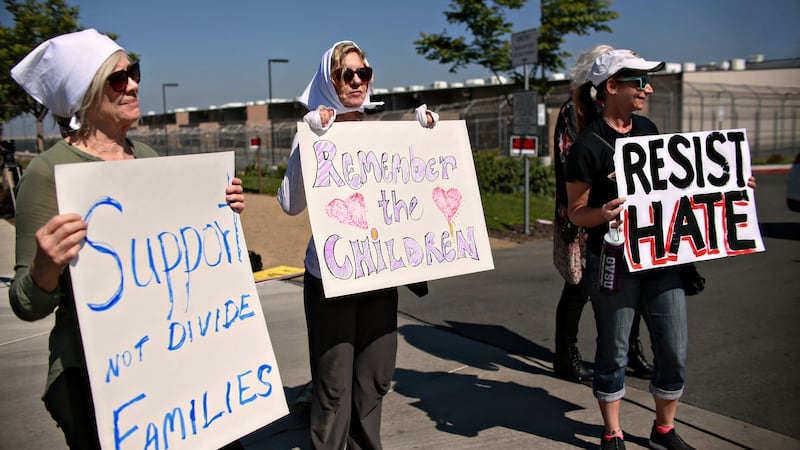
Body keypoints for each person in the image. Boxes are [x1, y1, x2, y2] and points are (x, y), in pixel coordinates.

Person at [8, 29, 245, 449]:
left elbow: (174, 258)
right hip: (95, 374)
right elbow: (26, 304)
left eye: (132, 72)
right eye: (118, 79)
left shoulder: (149, 158)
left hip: (168, 355)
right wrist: (47, 265)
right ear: (85, 93)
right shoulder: (48, 173)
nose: (133, 84)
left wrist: (220, 210)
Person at [278, 40, 435, 450]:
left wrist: (429, 138)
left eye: (363, 73)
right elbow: (289, 205)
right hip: (331, 278)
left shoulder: (379, 133)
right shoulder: (315, 132)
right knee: (332, 387)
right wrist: (309, 144)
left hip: (379, 274)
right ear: (329, 81)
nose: (357, 81)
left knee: (376, 377)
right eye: (346, 74)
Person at [565, 49, 692, 450]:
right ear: (612, 87)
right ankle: (612, 432)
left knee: (673, 346)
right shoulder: (587, 146)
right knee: (614, 347)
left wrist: (730, 188)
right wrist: (602, 212)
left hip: (660, 255)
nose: (648, 88)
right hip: (613, 260)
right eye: (639, 81)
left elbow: (675, 190)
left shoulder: (650, 129)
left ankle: (663, 430)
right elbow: (576, 214)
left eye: (647, 81)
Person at [552, 45, 653, 383]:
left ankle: (630, 348)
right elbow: (572, 168)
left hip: (623, 215)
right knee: (579, 285)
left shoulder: (624, 114)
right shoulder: (575, 111)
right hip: (581, 214)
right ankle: (565, 353)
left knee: (629, 284)